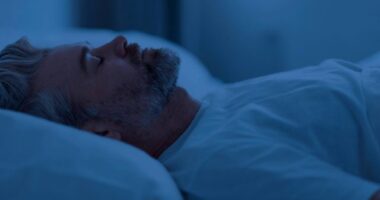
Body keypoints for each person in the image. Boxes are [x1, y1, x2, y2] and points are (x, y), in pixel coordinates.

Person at [0, 36, 379, 200]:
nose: (117, 41)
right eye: (94, 61)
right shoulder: (220, 165)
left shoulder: (206, 110)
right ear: (102, 132)